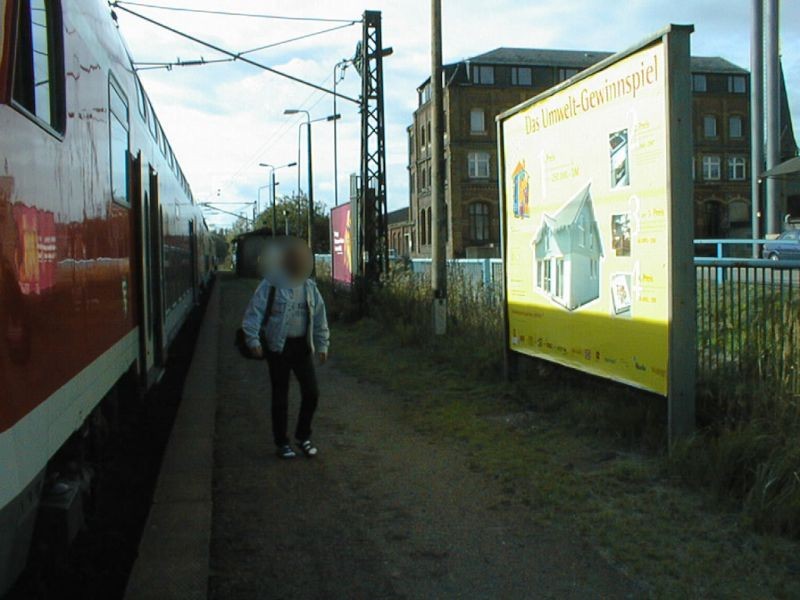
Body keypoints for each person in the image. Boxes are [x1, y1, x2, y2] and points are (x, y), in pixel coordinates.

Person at [241, 242, 329, 459]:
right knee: (280, 396)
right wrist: (253, 341)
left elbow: (319, 317)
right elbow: (254, 312)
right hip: (277, 348)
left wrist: (322, 344)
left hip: (301, 347)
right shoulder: (270, 284)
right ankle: (282, 442)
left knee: (311, 393)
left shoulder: (309, 288)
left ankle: (303, 436)